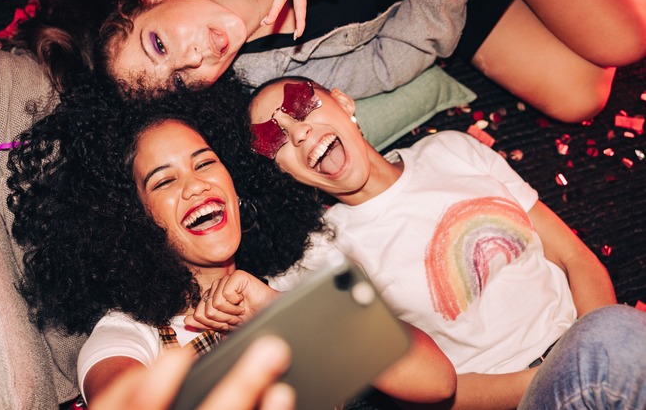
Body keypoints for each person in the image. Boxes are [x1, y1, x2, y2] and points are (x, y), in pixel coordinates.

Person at [187, 75, 646, 409]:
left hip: (604, 347)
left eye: (303, 106)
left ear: (344, 102)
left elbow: (574, 257)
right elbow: (438, 389)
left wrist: (595, 340)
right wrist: (573, 365)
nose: (300, 131)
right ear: (282, 172)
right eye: (275, 140)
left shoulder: (452, 148)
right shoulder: (320, 257)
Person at [6, 76, 456, 408]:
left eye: (204, 163)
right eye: (164, 182)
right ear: (132, 219)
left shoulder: (293, 280)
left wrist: (277, 310)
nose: (195, 186)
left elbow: (437, 381)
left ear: (236, 186)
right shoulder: (130, 333)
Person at [18, 0, 646, 123]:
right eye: (180, 81)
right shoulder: (254, 71)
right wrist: (440, 20)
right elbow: (383, 60)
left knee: (626, 37)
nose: (194, 58)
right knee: (579, 95)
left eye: (160, 44)